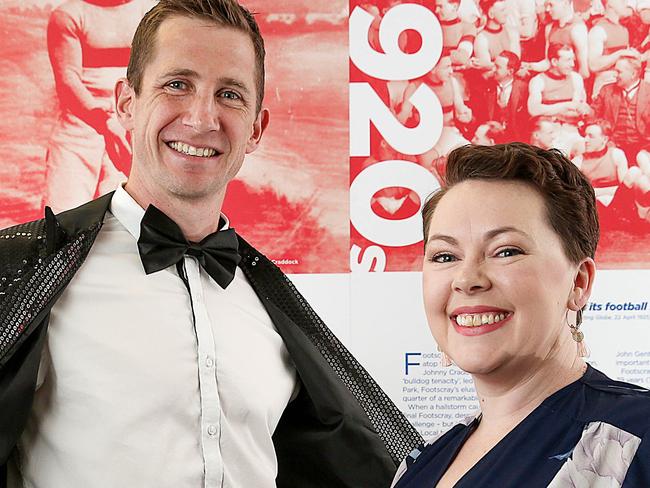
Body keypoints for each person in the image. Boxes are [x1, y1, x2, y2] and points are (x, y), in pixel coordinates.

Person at [0, 1, 422, 486]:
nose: (202, 118)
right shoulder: (29, 270)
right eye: (177, 84)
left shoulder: (273, 300)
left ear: (256, 129)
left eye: (230, 95)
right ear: (126, 104)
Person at [391, 142, 650, 487]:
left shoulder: (638, 437)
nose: (467, 279)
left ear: (578, 282)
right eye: (444, 256)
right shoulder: (418, 467)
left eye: (506, 251)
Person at [43, 0, 156, 214]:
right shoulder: (70, 15)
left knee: (127, 218)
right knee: (63, 214)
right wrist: (103, 119)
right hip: (80, 125)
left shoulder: (148, 11)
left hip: (131, 122)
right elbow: (68, 80)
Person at [593, 56, 650, 164]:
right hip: (613, 146)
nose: (615, 75)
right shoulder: (606, 90)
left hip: (643, 147)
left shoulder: (649, 91)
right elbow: (593, 116)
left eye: (619, 72)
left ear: (633, 74)